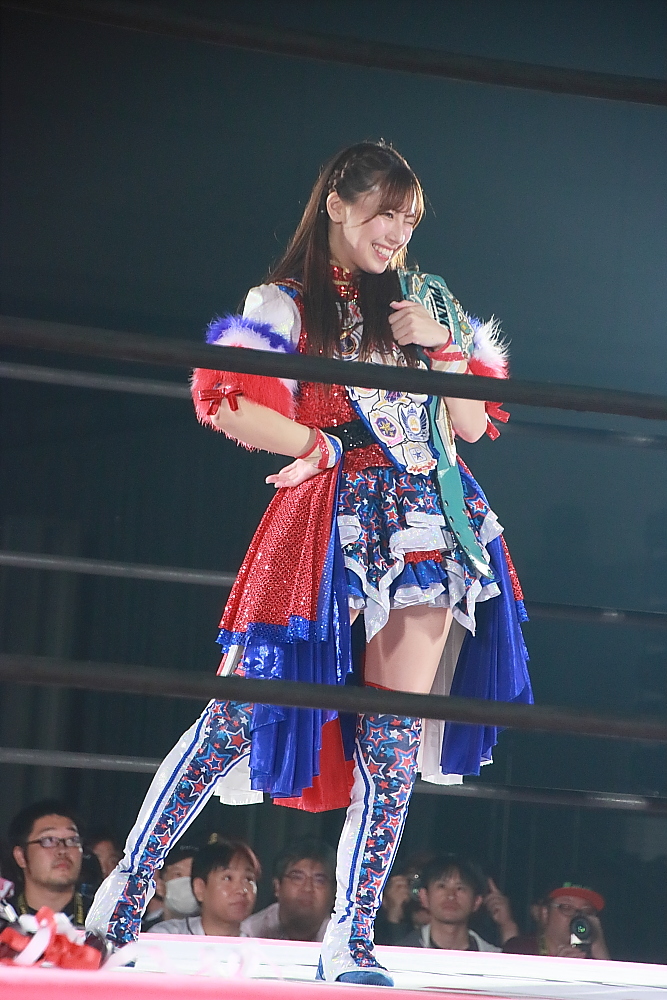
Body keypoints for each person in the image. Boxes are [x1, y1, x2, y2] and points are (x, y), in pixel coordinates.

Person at [86, 141, 532, 986]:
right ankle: (125, 891)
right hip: (326, 528)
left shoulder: (426, 302)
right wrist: (316, 445)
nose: (395, 233)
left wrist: (441, 345)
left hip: (428, 530)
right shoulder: (284, 303)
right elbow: (225, 399)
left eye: (408, 220)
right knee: (235, 717)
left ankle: (349, 935)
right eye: (383, 213)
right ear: (335, 203)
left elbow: (474, 426)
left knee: (391, 739)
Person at [398, 854, 517, 951]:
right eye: (442, 886)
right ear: (424, 897)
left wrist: (508, 925)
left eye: (460, 888)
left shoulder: (491, 957)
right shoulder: (402, 953)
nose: (451, 896)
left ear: (476, 901)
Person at [150, 840, 259, 937]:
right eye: (227, 878)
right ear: (200, 888)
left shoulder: (259, 947)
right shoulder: (167, 937)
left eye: (248, 879)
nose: (241, 890)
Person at [8, 799, 89, 928]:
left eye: (72, 840)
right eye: (48, 840)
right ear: (21, 856)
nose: (63, 850)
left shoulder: (103, 918)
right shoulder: (6, 918)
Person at [241, 839, 335, 941]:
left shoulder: (341, 938)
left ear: (334, 893)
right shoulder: (250, 933)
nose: (307, 888)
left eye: (319, 880)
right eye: (297, 878)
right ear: (277, 886)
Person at [503, 882, 610, 959]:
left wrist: (600, 950)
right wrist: (557, 969)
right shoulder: (521, 949)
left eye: (586, 911)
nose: (576, 917)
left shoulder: (590, 960)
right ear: (545, 913)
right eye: (567, 908)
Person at [141, 844, 199, 932]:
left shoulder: (216, 933)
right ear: (160, 886)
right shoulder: (143, 933)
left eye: (193, 874)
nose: (187, 881)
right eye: (178, 874)